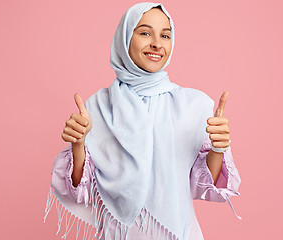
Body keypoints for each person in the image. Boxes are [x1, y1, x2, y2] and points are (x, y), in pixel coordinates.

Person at [43, 2, 241, 240]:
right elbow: (80, 193)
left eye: (165, 35)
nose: (157, 43)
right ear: (125, 38)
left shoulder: (194, 105)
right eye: (145, 32)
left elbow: (203, 189)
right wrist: (78, 145)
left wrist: (218, 148)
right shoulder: (98, 107)